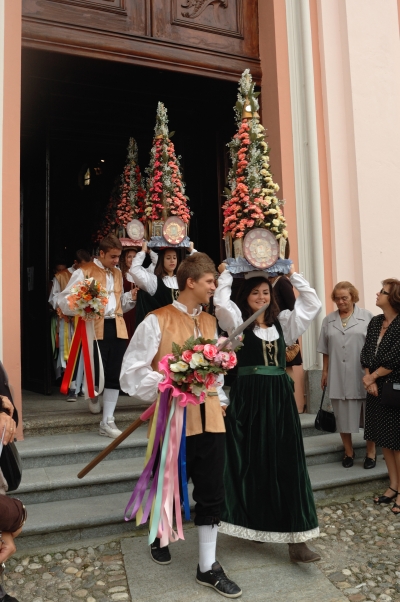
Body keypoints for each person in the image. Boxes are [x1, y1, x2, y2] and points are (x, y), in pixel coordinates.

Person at [120, 252, 242, 599]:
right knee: (168, 481)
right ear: (191, 282)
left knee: (211, 489)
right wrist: (169, 377)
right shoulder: (155, 320)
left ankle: (207, 566)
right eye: (209, 282)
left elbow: (214, 376)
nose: (213, 288)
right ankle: (161, 533)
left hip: (211, 418)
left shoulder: (209, 322)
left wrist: (219, 393)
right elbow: (130, 373)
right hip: (173, 418)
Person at [214, 263, 322, 563]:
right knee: (251, 462)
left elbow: (313, 303)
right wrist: (225, 273)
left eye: (265, 292)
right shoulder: (238, 324)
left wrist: (290, 276)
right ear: (246, 297)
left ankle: (297, 539)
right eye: (255, 293)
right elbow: (221, 303)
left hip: (278, 399)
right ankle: (256, 523)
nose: (261, 297)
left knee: (288, 463)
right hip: (248, 400)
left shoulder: (283, 324)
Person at [58, 235, 137, 438]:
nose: (116, 261)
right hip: (95, 328)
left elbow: (120, 304)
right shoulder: (84, 271)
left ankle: (107, 420)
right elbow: (64, 301)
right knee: (95, 371)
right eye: (112, 256)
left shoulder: (118, 273)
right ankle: (91, 393)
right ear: (100, 253)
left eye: (118, 257)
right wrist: (82, 302)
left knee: (113, 373)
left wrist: (130, 299)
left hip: (117, 327)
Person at [317, 282, 375, 469]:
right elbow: (325, 349)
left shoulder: (367, 317)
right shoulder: (329, 320)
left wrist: (374, 375)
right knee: (342, 414)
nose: (340, 301)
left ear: (353, 297)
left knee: (369, 414)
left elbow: (374, 347)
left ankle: (371, 453)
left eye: (344, 298)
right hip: (337, 374)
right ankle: (348, 452)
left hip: (362, 374)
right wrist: (325, 372)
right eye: (337, 298)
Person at [360, 278, 400, 513]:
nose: (377, 294)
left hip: (394, 387)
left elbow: (397, 357)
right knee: (384, 439)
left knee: (398, 442)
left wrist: (372, 377)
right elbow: (366, 352)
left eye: (382, 292)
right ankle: (393, 485)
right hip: (374, 386)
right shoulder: (375, 322)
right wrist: (368, 377)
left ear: (393, 298)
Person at [130, 240, 195, 327]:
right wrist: (143, 251)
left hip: (182, 325)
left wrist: (192, 250)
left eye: (174, 258)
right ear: (161, 260)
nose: (172, 261)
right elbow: (134, 270)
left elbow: (200, 270)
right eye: (168, 258)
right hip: (163, 327)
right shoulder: (154, 281)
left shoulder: (182, 279)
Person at [269, 273, 304, 413]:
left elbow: (293, 307)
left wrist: (288, 332)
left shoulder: (282, 281)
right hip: (273, 331)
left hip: (285, 331)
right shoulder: (268, 282)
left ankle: (290, 404)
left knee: (287, 366)